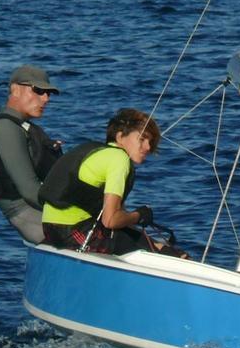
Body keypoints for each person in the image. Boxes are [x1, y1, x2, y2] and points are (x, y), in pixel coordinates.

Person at [40, 107, 166, 255]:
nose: (148, 147)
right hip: (72, 231)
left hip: (51, 229)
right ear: (120, 137)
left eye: (150, 142)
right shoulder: (119, 159)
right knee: (154, 252)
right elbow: (110, 220)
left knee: (148, 242)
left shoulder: (97, 151)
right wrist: (139, 215)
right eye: (142, 139)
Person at [0, 65, 63, 243]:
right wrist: (77, 205)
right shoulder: (5, 129)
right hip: (31, 217)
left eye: (49, 93)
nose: (46, 99)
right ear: (15, 89)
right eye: (38, 90)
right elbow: (30, 191)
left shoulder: (23, 128)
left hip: (45, 214)